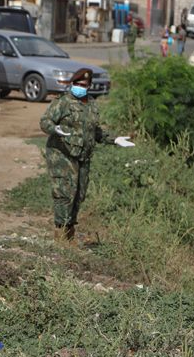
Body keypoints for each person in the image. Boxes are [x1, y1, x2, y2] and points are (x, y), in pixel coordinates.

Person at [40, 68, 135, 242]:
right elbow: (45, 121)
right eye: (77, 84)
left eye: (84, 85)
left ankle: (69, 233)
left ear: (89, 85)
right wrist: (55, 129)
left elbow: (95, 131)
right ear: (72, 84)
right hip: (62, 154)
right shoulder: (63, 102)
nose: (80, 87)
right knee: (65, 192)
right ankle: (60, 236)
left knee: (79, 193)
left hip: (82, 156)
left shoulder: (91, 104)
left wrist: (114, 139)